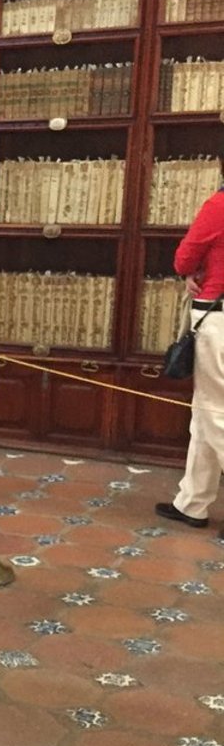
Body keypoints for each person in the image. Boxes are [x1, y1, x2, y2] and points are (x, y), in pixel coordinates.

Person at [156, 175, 224, 529]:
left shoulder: (218, 205)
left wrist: (189, 272)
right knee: (206, 411)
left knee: (215, 412)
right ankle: (193, 502)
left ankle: (194, 501)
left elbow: (185, 258)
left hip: (219, 315)